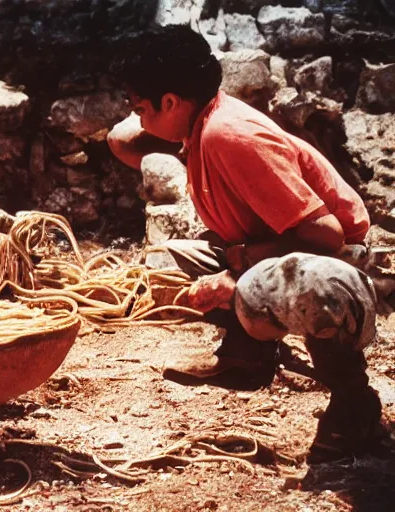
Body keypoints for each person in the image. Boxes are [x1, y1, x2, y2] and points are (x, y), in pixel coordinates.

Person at [109, 25, 388, 454]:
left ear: (171, 102)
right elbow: (123, 140)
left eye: (141, 107)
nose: (137, 117)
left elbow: (327, 235)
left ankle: (355, 406)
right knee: (187, 255)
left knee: (309, 286)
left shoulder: (227, 134)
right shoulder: (200, 123)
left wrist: (238, 276)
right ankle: (248, 355)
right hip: (277, 244)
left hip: (338, 260)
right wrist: (147, 115)